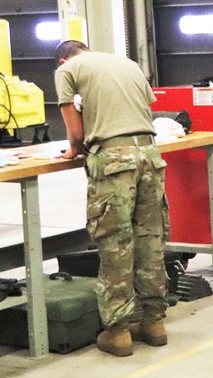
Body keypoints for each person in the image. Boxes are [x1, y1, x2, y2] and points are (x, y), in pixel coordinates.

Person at [54, 40, 169, 357]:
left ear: (64, 59)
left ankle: (118, 332)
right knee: (150, 239)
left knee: (116, 243)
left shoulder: (66, 69)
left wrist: (74, 149)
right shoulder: (128, 64)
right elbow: (146, 108)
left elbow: (75, 135)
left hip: (114, 160)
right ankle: (154, 324)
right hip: (149, 154)